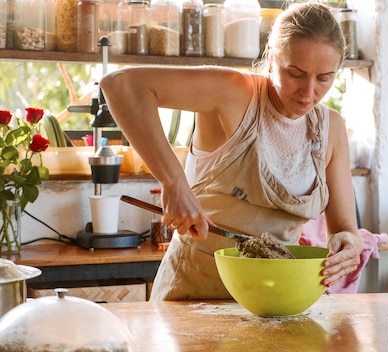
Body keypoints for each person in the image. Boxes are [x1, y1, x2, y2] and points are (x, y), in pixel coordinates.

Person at [100, 2, 363, 300]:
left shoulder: (331, 128)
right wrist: (174, 182)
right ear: (270, 56)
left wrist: (348, 244)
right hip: (196, 293)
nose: (308, 91)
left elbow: (343, 228)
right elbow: (121, 85)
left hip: (278, 299)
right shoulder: (234, 93)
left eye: (324, 78)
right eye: (295, 73)